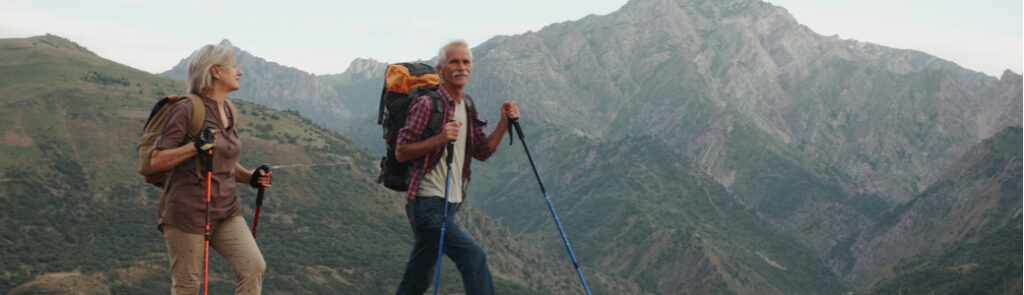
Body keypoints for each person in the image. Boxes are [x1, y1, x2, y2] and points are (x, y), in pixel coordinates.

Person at [393, 40, 519, 295]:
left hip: (449, 204)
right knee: (472, 256)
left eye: (466, 62)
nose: (461, 67)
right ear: (440, 68)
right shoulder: (427, 104)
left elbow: (482, 151)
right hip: (426, 203)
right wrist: (439, 139)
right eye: (454, 62)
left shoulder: (467, 105)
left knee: (418, 276)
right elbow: (401, 152)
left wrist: (504, 123)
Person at [150, 44, 273, 295]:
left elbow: (223, 161)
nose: (239, 72)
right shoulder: (186, 109)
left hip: (226, 210)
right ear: (216, 71)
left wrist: (251, 178)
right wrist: (196, 146)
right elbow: (157, 161)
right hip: (187, 212)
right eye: (234, 67)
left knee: (253, 266)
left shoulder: (229, 110)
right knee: (187, 286)